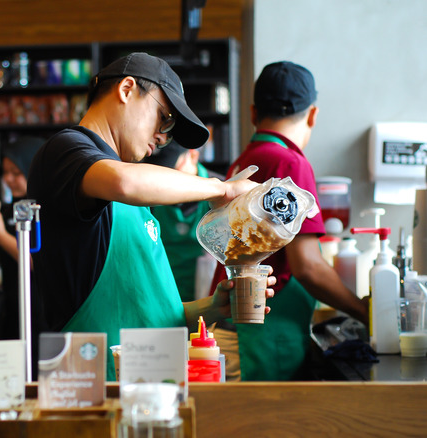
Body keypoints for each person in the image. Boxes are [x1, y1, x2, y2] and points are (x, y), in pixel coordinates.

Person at [26, 52, 275, 381]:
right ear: (127, 89)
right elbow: (124, 182)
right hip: (94, 386)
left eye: (168, 129)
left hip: (146, 384)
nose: (162, 137)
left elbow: (150, 316)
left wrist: (211, 308)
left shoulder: (132, 196)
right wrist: (221, 189)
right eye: (164, 118)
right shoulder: (67, 151)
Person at [207, 61, 369, 381]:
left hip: (229, 332)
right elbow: (307, 266)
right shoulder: (290, 163)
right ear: (312, 115)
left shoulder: (244, 162)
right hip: (263, 340)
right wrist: (365, 312)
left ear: (253, 113)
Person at [0, 136, 44, 340]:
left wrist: (0, 234)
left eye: (17, 172)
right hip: (12, 311)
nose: (9, 179)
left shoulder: (47, 210)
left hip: (42, 313)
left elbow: (37, 262)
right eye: (6, 172)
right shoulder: (7, 211)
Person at [148, 143, 224, 302]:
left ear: (193, 155)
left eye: (173, 170)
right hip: (163, 297)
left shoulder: (222, 195)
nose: (167, 180)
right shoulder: (150, 194)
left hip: (209, 299)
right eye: (161, 172)